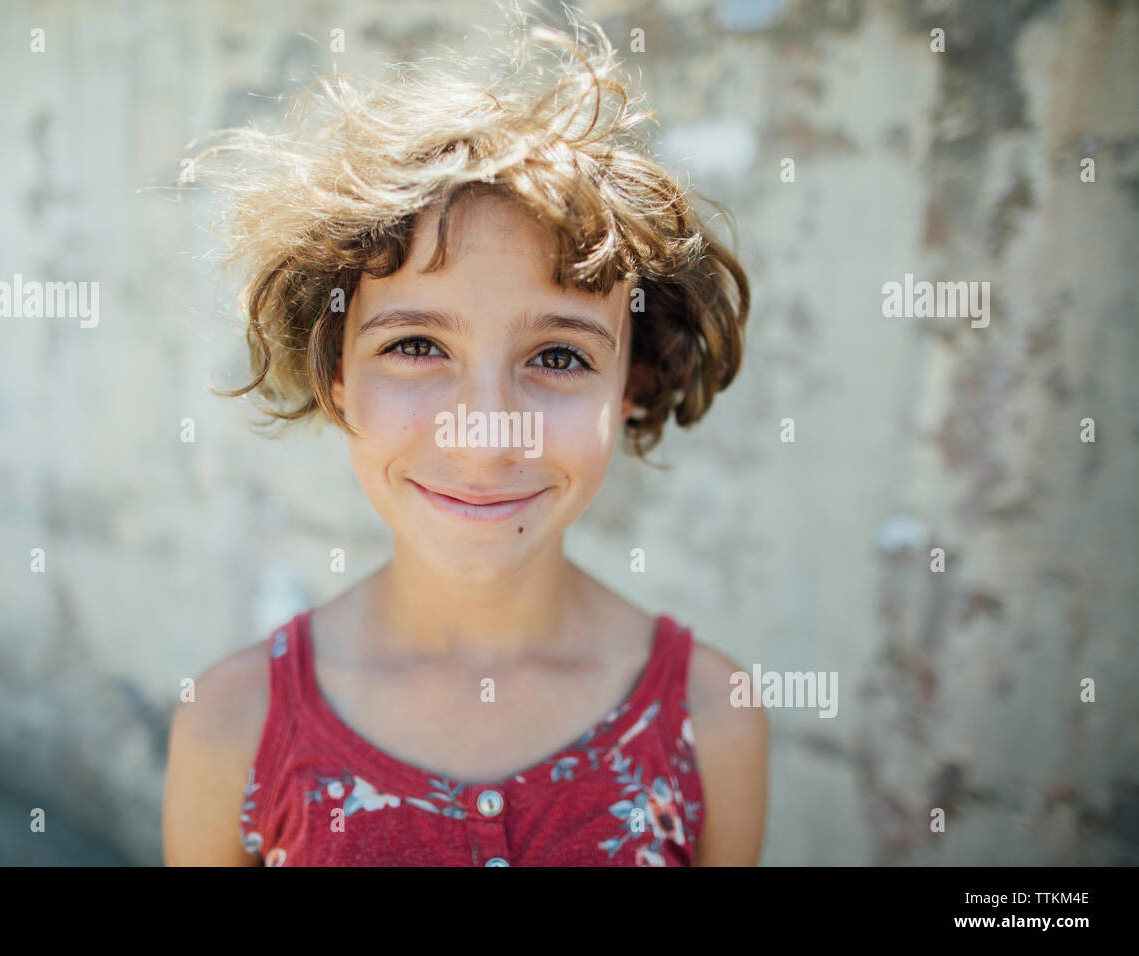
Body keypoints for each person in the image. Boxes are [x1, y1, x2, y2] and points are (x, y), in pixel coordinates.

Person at [162, 1, 766, 866]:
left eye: (559, 357)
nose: (485, 439)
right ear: (337, 376)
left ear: (633, 383)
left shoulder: (714, 719)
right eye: (415, 345)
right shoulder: (233, 723)